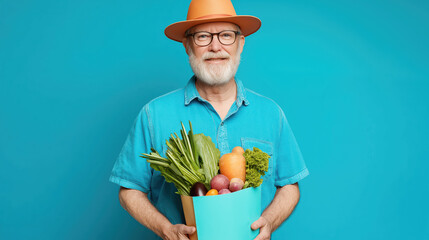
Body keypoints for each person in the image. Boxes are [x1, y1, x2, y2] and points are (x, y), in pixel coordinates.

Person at [109, 0, 309, 239]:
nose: (216, 47)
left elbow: (289, 186)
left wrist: (269, 223)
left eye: (226, 35)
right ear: (187, 45)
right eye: (203, 36)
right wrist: (165, 229)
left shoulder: (270, 113)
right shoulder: (154, 114)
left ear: (240, 44)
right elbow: (129, 190)